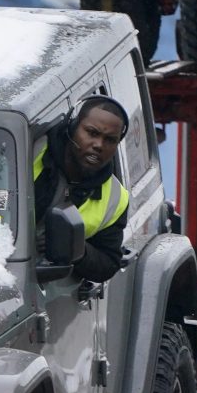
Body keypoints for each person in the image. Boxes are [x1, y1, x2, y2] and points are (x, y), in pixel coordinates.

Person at [33, 97, 130, 282]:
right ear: (72, 127)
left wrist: (75, 247)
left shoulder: (116, 199)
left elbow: (108, 264)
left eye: (110, 140)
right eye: (92, 133)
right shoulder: (30, 151)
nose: (99, 145)